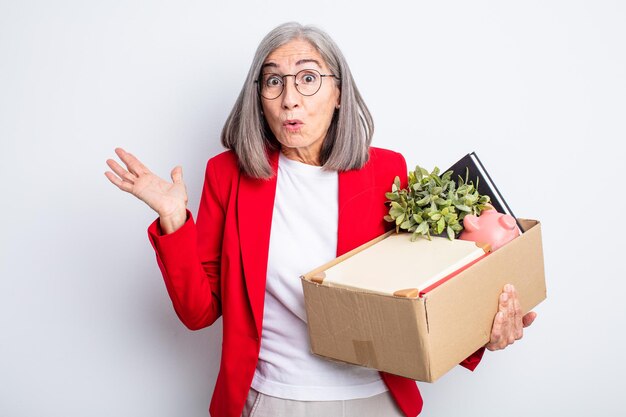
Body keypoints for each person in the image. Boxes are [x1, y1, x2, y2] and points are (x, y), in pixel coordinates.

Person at [105, 22, 537, 417]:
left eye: (308, 78)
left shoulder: (387, 171)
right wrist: (174, 219)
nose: (290, 97)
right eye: (274, 81)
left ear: (339, 94)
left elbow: (422, 292)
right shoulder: (227, 176)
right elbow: (200, 311)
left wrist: (486, 330)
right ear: (258, 99)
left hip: (376, 398)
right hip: (270, 399)